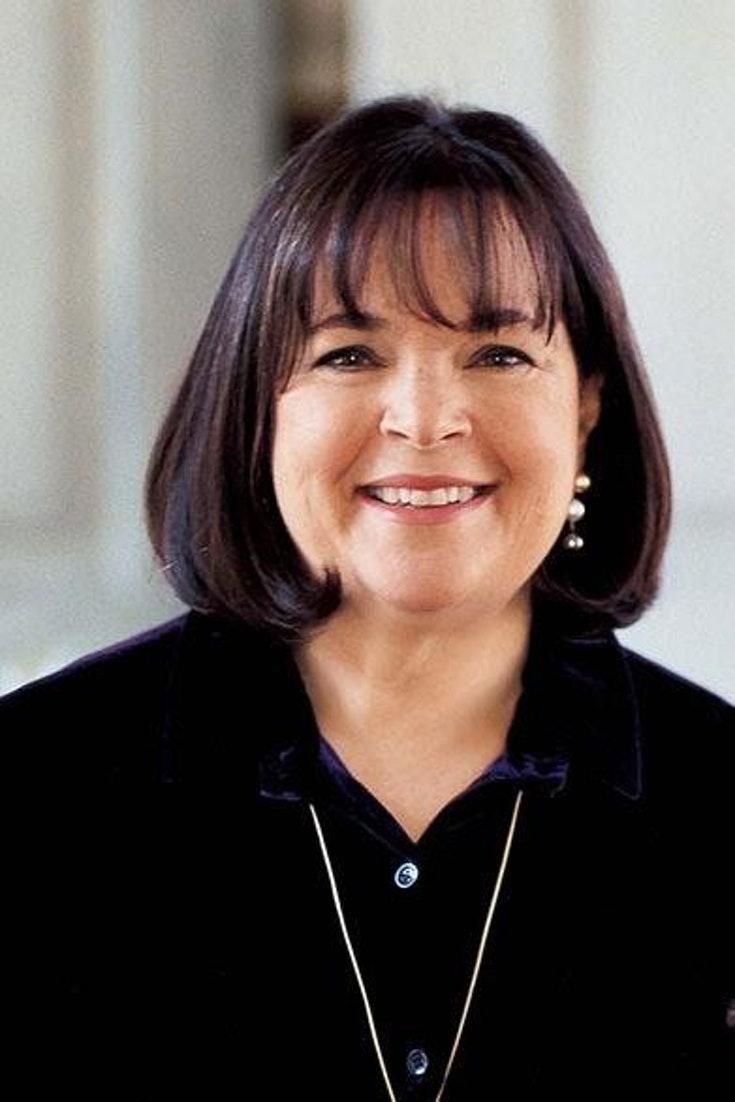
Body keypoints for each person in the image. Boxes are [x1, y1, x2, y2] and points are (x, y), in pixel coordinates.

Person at [3, 96, 733, 1098]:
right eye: (350, 352)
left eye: (498, 352)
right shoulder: (37, 788)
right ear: (258, 403)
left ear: (588, 404)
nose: (425, 420)